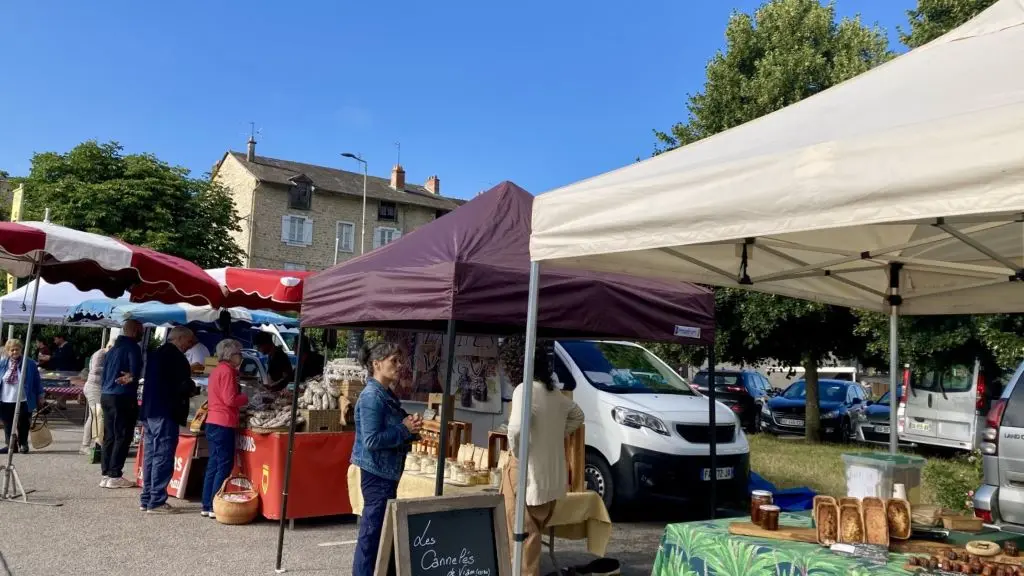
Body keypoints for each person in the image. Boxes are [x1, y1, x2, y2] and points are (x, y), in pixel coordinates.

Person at [501, 344, 584, 576]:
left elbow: (516, 429)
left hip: (526, 472)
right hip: (550, 479)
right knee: (532, 538)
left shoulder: (523, 389)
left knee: (521, 540)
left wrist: (518, 452)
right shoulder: (553, 393)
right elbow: (578, 415)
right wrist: (557, 434)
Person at [351, 342, 423, 576]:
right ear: (376, 364)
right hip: (377, 473)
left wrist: (410, 429)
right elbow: (371, 440)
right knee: (371, 534)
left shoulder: (385, 394)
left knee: (380, 532)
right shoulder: (372, 396)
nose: (399, 365)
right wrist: (404, 429)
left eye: (400, 360)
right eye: (394, 360)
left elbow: (391, 429)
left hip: (385, 472)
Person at [140, 326, 199, 513]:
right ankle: (156, 500)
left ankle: (147, 498)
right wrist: (192, 388)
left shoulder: (156, 354)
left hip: (150, 410)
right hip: (166, 411)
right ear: (180, 338)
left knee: (150, 454)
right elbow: (182, 385)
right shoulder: (177, 358)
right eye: (189, 342)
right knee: (163, 455)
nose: (190, 346)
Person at [201, 339, 248, 519]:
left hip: (213, 421)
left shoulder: (216, 371)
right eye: (239, 354)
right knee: (223, 464)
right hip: (223, 422)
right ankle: (215, 503)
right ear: (231, 355)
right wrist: (244, 398)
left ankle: (207, 503)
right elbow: (230, 400)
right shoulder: (228, 372)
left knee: (213, 464)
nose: (241, 357)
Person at [100, 320, 144, 489]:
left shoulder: (112, 350)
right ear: (135, 331)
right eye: (140, 330)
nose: (141, 333)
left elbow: (105, 373)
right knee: (122, 435)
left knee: (110, 435)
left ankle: (106, 473)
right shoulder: (132, 347)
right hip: (122, 395)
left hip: (107, 394)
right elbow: (135, 372)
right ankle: (114, 474)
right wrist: (131, 377)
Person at [0, 339, 44, 455]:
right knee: (8, 423)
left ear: (21, 350)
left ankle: (23, 444)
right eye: (12, 350)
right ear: (7, 351)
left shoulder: (29, 363)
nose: (14, 352)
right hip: (6, 398)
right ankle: (11, 446)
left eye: (17, 349)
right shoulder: (3, 363)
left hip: (24, 399)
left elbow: (37, 380)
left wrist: (40, 395)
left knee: (24, 423)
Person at [80, 337, 115, 455]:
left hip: (99, 387)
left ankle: (96, 443)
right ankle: (86, 445)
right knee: (95, 415)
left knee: (96, 415)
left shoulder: (108, 354)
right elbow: (95, 370)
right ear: (108, 346)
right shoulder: (100, 354)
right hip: (93, 387)